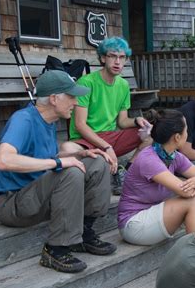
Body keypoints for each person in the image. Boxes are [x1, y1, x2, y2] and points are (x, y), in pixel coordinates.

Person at [0, 70, 116, 273]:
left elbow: (44, 158)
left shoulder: (48, 122)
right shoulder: (23, 119)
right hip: (12, 204)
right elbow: (4, 160)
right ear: (53, 98)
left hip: (36, 198)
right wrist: (58, 163)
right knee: (70, 171)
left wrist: (82, 154)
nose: (76, 102)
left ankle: (83, 233)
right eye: (71, 96)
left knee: (96, 162)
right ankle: (55, 250)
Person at [117, 109, 195, 246]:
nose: (188, 133)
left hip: (155, 215)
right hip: (133, 224)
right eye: (186, 130)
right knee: (193, 201)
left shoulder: (174, 156)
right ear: (177, 137)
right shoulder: (149, 159)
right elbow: (186, 191)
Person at [63, 36, 152, 184]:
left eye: (122, 57)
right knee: (67, 147)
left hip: (110, 136)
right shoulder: (86, 82)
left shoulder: (123, 85)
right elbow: (80, 124)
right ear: (103, 58)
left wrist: (137, 120)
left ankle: (126, 172)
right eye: (112, 56)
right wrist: (106, 146)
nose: (117, 62)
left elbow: (122, 122)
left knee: (151, 133)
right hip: (85, 139)